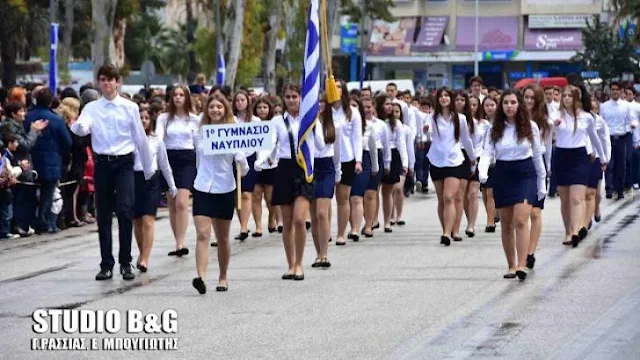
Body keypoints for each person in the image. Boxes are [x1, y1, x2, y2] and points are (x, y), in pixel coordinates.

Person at [71, 64, 155, 281]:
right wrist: (78, 127)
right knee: (104, 213)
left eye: (110, 79)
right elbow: (83, 126)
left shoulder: (129, 107)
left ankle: (125, 262)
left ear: (117, 82)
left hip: (124, 162)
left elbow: (140, 138)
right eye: (103, 80)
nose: (107, 83)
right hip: (103, 164)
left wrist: (148, 169)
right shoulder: (92, 108)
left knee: (126, 210)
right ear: (99, 83)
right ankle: (106, 263)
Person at [479, 90, 546, 281]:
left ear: (519, 105)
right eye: (506, 103)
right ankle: (512, 265)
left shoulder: (530, 127)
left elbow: (537, 155)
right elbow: (487, 153)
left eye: (513, 102)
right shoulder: (494, 129)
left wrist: (542, 182)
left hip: (525, 174)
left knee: (521, 220)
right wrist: (482, 171)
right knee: (507, 224)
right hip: (503, 173)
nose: (509, 106)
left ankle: (522, 264)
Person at [191, 94, 248, 294]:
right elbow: (198, 160)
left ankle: (223, 276)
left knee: (223, 238)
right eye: (212, 107)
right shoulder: (198, 133)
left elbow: (244, 168)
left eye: (219, 107)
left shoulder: (234, 133)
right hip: (202, 187)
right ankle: (201, 277)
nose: (215, 110)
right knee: (202, 234)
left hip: (225, 188)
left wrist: (241, 159)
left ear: (225, 110)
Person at [271, 84, 319, 280]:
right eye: (288, 97)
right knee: (287, 222)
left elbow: (322, 144)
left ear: (301, 97)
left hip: (304, 168)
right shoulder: (277, 121)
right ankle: (290, 264)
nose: (291, 100)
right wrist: (265, 158)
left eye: (295, 96)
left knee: (300, 220)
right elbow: (271, 143)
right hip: (284, 168)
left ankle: (299, 263)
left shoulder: (310, 119)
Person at [552, 85, 606, 248]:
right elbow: (548, 134)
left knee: (577, 198)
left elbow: (594, 138)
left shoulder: (586, 117)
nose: (566, 98)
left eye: (570, 96)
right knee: (565, 199)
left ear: (577, 99)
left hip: (579, 157)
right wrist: (553, 124)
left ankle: (575, 231)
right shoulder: (557, 115)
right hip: (561, 155)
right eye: (564, 95)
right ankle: (568, 230)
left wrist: (602, 157)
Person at [424, 87, 476, 246]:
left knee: (449, 197)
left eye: (447, 96)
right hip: (436, 160)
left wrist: (472, 158)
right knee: (441, 199)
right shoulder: (431, 117)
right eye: (441, 96)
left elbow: (466, 140)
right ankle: (446, 229)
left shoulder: (459, 118)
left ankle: (449, 233)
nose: (444, 98)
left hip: (454, 160)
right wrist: (426, 130)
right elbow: (426, 133)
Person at [155, 85, 200, 256]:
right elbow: (159, 138)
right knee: (172, 203)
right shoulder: (164, 118)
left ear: (187, 98)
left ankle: (181, 243)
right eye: (175, 95)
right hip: (169, 159)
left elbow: (199, 142)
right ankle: (177, 241)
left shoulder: (194, 119)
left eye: (182, 95)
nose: (178, 98)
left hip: (187, 159)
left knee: (182, 202)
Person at [133, 108, 177, 273]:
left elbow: (164, 164)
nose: (143, 120)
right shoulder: (129, 139)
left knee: (148, 220)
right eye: (140, 118)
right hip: (133, 179)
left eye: (146, 118)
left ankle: (145, 258)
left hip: (151, 180)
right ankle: (141, 251)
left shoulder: (156, 140)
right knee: (137, 221)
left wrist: (172, 186)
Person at [25, 88, 73, 234]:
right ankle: (43, 221)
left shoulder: (28, 116)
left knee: (28, 192)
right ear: (51, 101)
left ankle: (27, 221)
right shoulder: (56, 119)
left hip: (31, 160)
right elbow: (67, 141)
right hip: (51, 161)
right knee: (47, 193)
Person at [523, 84, 553, 269]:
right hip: (521, 162)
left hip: (538, 163)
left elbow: (548, 147)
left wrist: (548, 168)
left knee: (535, 211)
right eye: (526, 97)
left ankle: (530, 252)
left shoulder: (544, 123)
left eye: (532, 98)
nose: (528, 101)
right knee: (522, 213)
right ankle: (522, 248)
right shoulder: (516, 119)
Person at [310, 93, 341, 266]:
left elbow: (336, 152)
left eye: (323, 102)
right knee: (314, 215)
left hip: (327, 168)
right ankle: (318, 253)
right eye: (317, 103)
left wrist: (338, 172)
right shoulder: (307, 125)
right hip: (311, 167)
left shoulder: (334, 125)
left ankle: (325, 253)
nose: (320, 105)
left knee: (323, 213)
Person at [333, 79, 363, 246]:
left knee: (343, 198)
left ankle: (340, 233)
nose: (335, 89)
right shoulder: (324, 111)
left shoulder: (352, 112)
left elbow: (357, 138)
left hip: (346, 158)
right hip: (326, 158)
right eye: (333, 86)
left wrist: (358, 160)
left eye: (338, 86)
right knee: (324, 197)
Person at [232, 90, 261, 240]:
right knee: (237, 193)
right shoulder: (230, 120)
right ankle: (242, 223)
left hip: (250, 157)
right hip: (234, 159)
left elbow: (262, 142)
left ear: (248, 102)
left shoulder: (255, 121)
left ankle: (244, 227)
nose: (240, 103)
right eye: (237, 100)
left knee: (246, 193)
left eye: (242, 100)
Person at [600, 82, 636, 199]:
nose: (614, 91)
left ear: (620, 91)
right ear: (610, 91)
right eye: (612, 89)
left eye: (617, 89)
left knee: (621, 165)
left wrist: (632, 125)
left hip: (621, 137)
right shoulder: (604, 106)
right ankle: (609, 189)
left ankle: (619, 189)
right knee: (609, 164)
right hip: (608, 137)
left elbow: (631, 120)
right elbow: (602, 122)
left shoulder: (626, 106)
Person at [252, 98, 279, 235]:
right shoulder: (251, 124)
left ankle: (271, 217)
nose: (262, 110)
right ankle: (258, 226)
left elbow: (277, 143)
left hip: (270, 164)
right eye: (259, 107)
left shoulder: (274, 124)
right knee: (256, 196)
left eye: (264, 107)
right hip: (255, 164)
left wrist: (272, 157)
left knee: (269, 197)